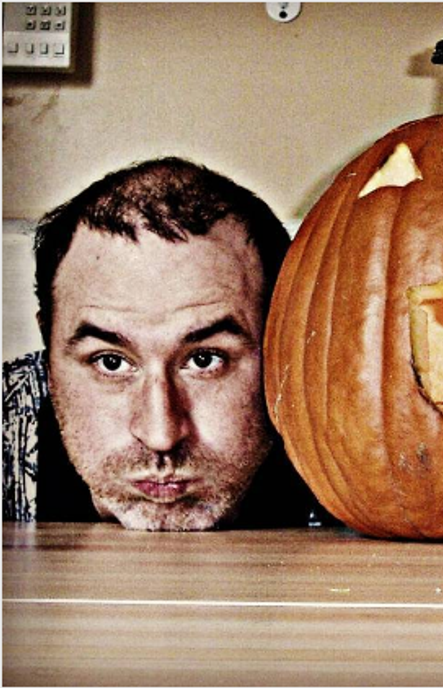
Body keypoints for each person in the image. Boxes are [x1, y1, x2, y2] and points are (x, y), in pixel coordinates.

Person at [3, 157, 328, 531]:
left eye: (205, 360)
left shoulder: (348, 440)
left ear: (282, 345)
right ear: (48, 354)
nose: (161, 435)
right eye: (111, 362)